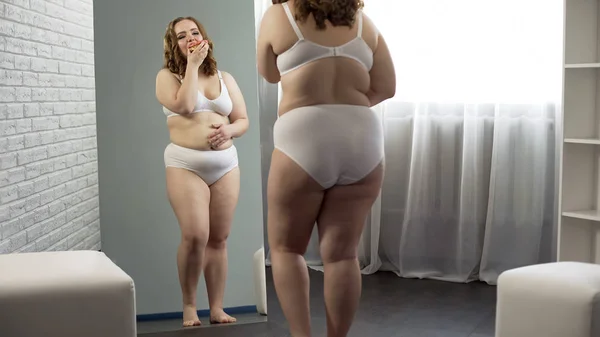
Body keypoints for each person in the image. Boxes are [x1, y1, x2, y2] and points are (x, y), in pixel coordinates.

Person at [257, 0, 395, 336]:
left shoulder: (280, 15)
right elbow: (387, 87)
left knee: (288, 249)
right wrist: (345, 108)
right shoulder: (365, 23)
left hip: (304, 133)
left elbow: (270, 73)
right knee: (343, 256)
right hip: (361, 135)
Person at [155, 16, 249, 327]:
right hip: (184, 164)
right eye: (181, 36)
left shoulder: (225, 78)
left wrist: (229, 131)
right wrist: (192, 66)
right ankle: (190, 307)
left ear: (204, 36)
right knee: (196, 235)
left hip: (225, 165)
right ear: (174, 45)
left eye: (195, 32)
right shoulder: (166, 77)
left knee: (219, 239)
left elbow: (242, 120)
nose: (190, 38)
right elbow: (183, 107)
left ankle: (217, 309)